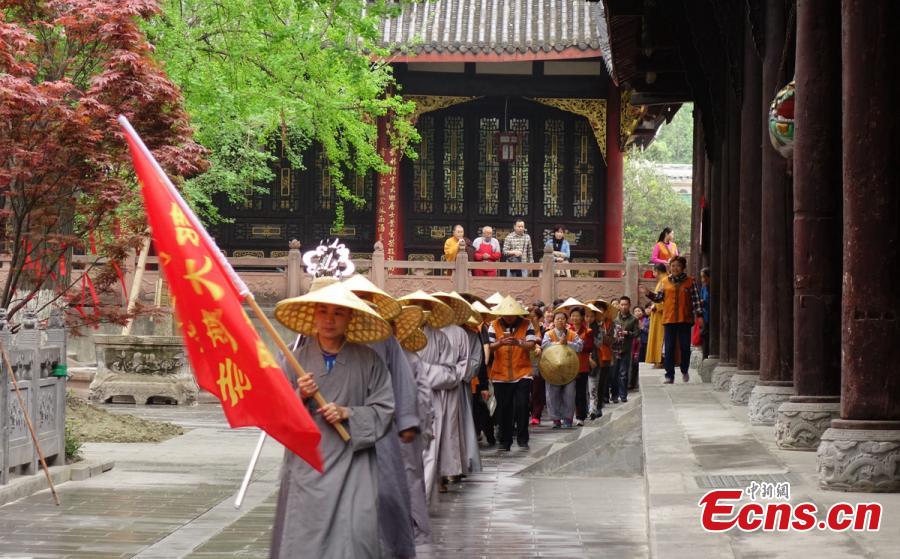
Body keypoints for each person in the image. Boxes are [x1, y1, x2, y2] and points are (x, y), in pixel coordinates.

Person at [271, 283, 395, 559]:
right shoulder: (294, 358)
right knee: (305, 539)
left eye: (339, 313)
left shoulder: (369, 360)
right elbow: (278, 414)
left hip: (354, 463)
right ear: (313, 314)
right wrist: (299, 395)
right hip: (308, 463)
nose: (329, 319)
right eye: (323, 311)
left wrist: (349, 413)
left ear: (350, 318)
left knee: (355, 534)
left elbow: (385, 408)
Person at [641, 256, 705, 384]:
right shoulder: (665, 282)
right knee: (669, 348)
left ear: (683, 268)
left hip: (684, 319)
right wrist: (648, 293)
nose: (675, 268)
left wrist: (699, 316)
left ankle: (684, 370)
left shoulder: (690, 281)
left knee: (685, 347)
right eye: (673, 266)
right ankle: (669, 375)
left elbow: (696, 300)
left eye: (678, 266)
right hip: (669, 319)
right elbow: (659, 298)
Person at [487, 296, 538, 450]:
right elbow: (490, 346)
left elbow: (531, 344)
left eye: (512, 314)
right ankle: (505, 440)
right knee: (503, 408)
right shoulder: (493, 325)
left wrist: (518, 342)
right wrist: (500, 342)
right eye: (506, 315)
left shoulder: (526, 324)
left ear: (517, 313)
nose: (509, 317)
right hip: (500, 374)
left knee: (522, 405)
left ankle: (523, 439)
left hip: (522, 371)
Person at [542, 310, 582, 429]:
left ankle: (568, 418)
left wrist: (568, 343)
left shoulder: (572, 334)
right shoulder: (548, 334)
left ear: (566, 321)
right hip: (552, 369)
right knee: (552, 395)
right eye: (557, 319)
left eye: (562, 319)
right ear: (553, 321)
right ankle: (556, 419)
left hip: (569, 369)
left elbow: (580, 346)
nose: (560, 320)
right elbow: (544, 346)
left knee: (569, 394)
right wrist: (558, 343)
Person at [610, 296, 640, 403]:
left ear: (629, 305)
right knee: (614, 373)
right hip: (614, 349)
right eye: (621, 304)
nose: (623, 307)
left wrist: (628, 333)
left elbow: (637, 333)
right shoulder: (614, 318)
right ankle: (614, 396)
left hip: (626, 349)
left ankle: (623, 395)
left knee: (623, 373)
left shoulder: (633, 319)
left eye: (625, 304)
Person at [568, 307, 594, 425]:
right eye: (572, 315)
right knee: (568, 392)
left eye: (577, 315)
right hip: (568, 365)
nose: (574, 318)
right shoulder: (567, 330)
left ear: (582, 317)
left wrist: (578, 344)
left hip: (582, 365)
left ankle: (580, 416)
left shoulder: (588, 331)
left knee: (580, 392)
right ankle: (568, 415)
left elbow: (588, 347)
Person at [644, 263, 668, 367]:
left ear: (656, 271)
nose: (653, 273)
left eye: (653, 271)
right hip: (658, 315)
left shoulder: (664, 281)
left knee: (661, 338)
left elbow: (663, 301)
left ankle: (661, 360)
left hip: (662, 316)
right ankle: (658, 360)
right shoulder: (662, 281)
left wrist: (654, 307)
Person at [528, 306, 546, 425]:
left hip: (540, 362)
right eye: (529, 316)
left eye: (533, 316)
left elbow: (549, 345)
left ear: (539, 318)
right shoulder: (525, 329)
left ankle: (536, 414)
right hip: (527, 362)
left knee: (537, 390)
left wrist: (541, 347)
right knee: (527, 389)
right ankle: (530, 411)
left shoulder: (544, 331)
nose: (531, 318)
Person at [631, 306, 646, 391]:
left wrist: (643, 328)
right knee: (634, 365)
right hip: (634, 345)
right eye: (635, 311)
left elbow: (649, 332)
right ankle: (634, 383)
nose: (637, 312)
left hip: (644, 344)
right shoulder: (632, 321)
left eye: (639, 310)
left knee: (641, 364)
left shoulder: (646, 321)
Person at [699, 267, 711, 356]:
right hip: (705, 315)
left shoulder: (712, 287)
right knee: (704, 335)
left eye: (704, 277)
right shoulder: (703, 288)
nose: (703, 280)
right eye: (702, 277)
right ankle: (705, 355)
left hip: (712, 315)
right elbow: (700, 300)